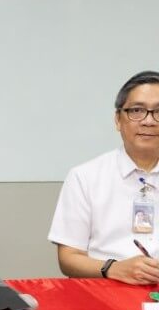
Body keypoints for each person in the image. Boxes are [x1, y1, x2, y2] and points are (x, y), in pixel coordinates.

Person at [49, 70, 159, 284]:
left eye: (158, 111)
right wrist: (114, 268)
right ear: (118, 120)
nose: (149, 121)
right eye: (136, 110)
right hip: (105, 292)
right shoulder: (85, 177)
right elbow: (68, 258)